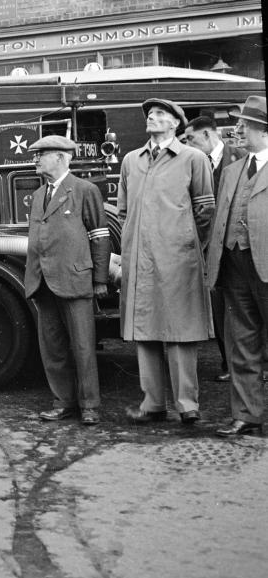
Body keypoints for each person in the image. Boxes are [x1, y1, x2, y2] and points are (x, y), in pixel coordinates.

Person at [119, 98, 215, 425]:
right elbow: (122, 211)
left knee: (180, 330)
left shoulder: (193, 158)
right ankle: (153, 404)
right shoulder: (132, 160)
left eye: (160, 114)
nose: (153, 117)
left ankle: (187, 404)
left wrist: (187, 243)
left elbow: (206, 211)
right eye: (150, 114)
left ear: (175, 123)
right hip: (139, 258)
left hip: (179, 259)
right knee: (145, 330)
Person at [24, 135, 111, 425]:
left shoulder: (84, 190)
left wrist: (99, 279)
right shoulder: (39, 195)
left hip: (74, 280)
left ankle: (89, 407)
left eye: (41, 154)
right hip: (43, 282)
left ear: (61, 158)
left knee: (83, 347)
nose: (35, 159)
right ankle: (63, 403)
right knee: (53, 349)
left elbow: (99, 236)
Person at [206, 95, 268, 437]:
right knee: (242, 343)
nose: (238, 129)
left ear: (263, 128)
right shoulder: (232, 171)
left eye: (245, 124)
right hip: (235, 266)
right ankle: (247, 415)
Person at [184, 115, 247, 382]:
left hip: (240, 248)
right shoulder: (190, 164)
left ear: (209, 135)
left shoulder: (242, 158)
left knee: (246, 308)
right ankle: (228, 363)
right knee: (220, 306)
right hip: (210, 248)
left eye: (191, 139)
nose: (187, 144)